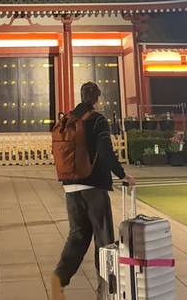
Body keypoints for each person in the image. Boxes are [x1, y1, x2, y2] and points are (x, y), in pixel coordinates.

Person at [51, 82, 135, 300]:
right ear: (97, 98)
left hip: (70, 187)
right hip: (94, 187)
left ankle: (59, 277)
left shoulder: (68, 118)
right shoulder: (97, 120)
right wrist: (122, 174)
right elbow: (105, 152)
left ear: (81, 96)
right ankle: (105, 288)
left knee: (77, 235)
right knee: (104, 239)